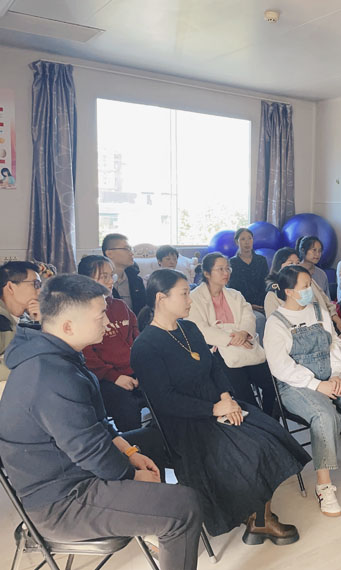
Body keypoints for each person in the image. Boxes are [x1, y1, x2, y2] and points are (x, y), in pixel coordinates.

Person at [0, 274, 202, 570]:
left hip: (76, 470)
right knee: (183, 507)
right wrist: (132, 476)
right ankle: (166, 521)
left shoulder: (61, 354)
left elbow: (99, 422)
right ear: (68, 326)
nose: (107, 323)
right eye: (100, 316)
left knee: (161, 437)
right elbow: (90, 451)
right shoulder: (49, 374)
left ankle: (166, 521)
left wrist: (130, 452)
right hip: (61, 501)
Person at [131, 269, 309, 544]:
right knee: (252, 448)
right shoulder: (145, 346)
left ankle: (257, 517)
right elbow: (164, 400)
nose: (190, 300)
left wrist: (226, 398)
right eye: (184, 294)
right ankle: (259, 520)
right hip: (185, 422)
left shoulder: (189, 328)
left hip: (217, 404)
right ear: (161, 298)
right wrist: (214, 410)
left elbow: (214, 367)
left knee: (268, 432)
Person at [264, 265, 341, 517]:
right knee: (324, 415)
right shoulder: (276, 323)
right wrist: (317, 385)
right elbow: (280, 366)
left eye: (310, 284)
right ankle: (324, 485)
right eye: (305, 286)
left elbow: (334, 345)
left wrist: (337, 374)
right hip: (296, 385)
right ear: (289, 291)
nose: (310, 290)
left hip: (331, 377)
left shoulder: (318, 311)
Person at [188, 253, 275, 415]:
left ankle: (270, 421)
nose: (226, 273)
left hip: (245, 345)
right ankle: (258, 423)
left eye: (228, 268)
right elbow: (199, 328)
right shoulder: (194, 298)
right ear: (207, 273)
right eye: (220, 269)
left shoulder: (235, 294)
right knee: (245, 396)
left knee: (273, 385)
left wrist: (243, 333)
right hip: (219, 351)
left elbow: (248, 316)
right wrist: (232, 338)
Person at [78, 255, 146, 432]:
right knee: (126, 406)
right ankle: (133, 444)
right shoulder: (79, 311)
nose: (110, 281)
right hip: (104, 377)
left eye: (111, 276)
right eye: (104, 277)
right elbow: (87, 356)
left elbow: (137, 340)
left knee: (164, 390)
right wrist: (114, 377)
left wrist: (142, 369)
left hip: (133, 370)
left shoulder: (119, 306)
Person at [0, 261, 41, 393]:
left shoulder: (28, 319)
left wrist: (40, 323)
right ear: (11, 287)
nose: (40, 290)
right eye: (35, 284)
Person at [227, 228, 269, 341]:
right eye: (243, 239)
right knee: (259, 320)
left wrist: (265, 304)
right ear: (237, 242)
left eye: (249, 238)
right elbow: (232, 289)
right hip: (243, 305)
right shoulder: (232, 263)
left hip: (263, 303)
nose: (247, 242)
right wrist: (250, 305)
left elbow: (266, 283)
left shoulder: (261, 260)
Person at [103, 233, 147, 315]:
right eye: (127, 249)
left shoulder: (136, 281)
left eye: (131, 249)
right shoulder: (101, 282)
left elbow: (144, 311)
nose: (131, 253)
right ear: (109, 253)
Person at [264, 247, 301, 317]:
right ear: (279, 266)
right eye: (291, 263)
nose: (295, 267)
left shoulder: (308, 284)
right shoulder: (273, 295)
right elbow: (273, 321)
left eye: (298, 263)